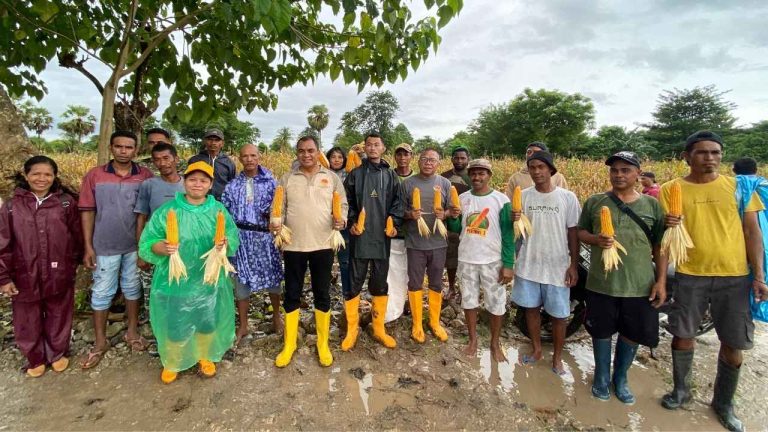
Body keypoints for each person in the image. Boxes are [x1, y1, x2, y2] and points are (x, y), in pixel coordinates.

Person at [658, 131, 766, 432]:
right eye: (703, 152)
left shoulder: (737, 187)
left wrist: (759, 276)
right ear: (687, 156)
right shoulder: (671, 189)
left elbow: (752, 233)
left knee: (734, 342)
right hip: (691, 275)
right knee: (682, 334)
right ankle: (681, 390)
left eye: (716, 152)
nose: (711, 158)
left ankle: (724, 403)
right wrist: (662, 280)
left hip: (734, 276)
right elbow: (668, 238)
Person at [578, 151, 667, 403]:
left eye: (625, 170)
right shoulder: (595, 202)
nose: (619, 175)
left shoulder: (652, 205)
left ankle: (621, 377)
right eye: (614, 170)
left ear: (638, 174)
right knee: (601, 331)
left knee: (632, 332)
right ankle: (601, 377)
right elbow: (581, 231)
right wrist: (596, 239)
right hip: (601, 282)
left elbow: (661, 246)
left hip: (639, 284)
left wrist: (660, 281)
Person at [138, 161, 239, 383]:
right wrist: (161, 247)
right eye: (192, 179)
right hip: (176, 279)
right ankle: (174, 360)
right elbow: (148, 242)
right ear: (184, 182)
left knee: (206, 319)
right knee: (176, 321)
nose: (197, 184)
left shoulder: (218, 210)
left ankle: (204, 355)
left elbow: (232, 238)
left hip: (208, 278)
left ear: (210, 184)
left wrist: (224, 244)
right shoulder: (168, 211)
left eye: (203, 180)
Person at [0, 156, 82, 377]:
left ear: (54, 177)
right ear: (26, 175)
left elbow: (76, 236)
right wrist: (4, 277)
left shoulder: (65, 203)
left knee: (59, 312)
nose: (42, 178)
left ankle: (57, 353)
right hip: (23, 272)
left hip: (59, 270)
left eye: (47, 174)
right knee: (27, 317)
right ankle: (34, 358)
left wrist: (73, 262)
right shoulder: (11, 207)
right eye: (36, 173)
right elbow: (3, 243)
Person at [79, 131, 154, 369]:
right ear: (111, 148)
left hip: (134, 245)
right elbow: (87, 211)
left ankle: (131, 332)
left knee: (133, 288)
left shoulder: (145, 176)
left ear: (136, 149)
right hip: (104, 245)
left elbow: (150, 214)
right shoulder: (95, 176)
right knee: (102, 290)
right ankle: (100, 341)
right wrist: (88, 246)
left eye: (129, 147)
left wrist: (147, 247)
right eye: (119, 146)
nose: (124, 151)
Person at [271, 136, 347, 367]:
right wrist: (276, 222)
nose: (306, 155)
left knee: (322, 293)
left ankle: (322, 343)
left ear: (318, 152)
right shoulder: (287, 178)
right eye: (302, 151)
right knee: (292, 293)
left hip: (323, 244)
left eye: (311, 150)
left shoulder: (331, 178)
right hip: (293, 245)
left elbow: (342, 204)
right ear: (297, 153)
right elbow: (279, 207)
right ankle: (290, 343)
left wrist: (341, 219)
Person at [511, 151, 580, 375]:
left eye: (541, 167)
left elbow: (573, 233)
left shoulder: (567, 197)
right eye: (532, 167)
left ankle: (558, 358)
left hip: (557, 266)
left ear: (551, 169)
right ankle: (537, 349)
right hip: (528, 264)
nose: (537, 171)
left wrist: (573, 264)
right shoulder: (524, 196)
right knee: (531, 310)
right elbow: (518, 233)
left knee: (559, 316)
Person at [446, 159, 514, 361]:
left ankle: (494, 342)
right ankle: (473, 340)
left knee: (496, 303)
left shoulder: (501, 201)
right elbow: (457, 229)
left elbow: (509, 235)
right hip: (467, 258)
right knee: (469, 301)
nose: (477, 177)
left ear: (489, 176)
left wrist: (508, 265)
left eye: (481, 173)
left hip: (492, 260)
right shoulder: (463, 198)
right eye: (473, 173)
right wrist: (453, 217)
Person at [342, 132, 403, 350]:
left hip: (382, 239)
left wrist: (393, 223)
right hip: (360, 237)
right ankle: (352, 329)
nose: (372, 148)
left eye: (377, 144)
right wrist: (351, 223)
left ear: (383, 148)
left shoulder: (391, 176)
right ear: (365, 148)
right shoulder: (355, 174)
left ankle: (378, 328)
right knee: (354, 282)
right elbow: (346, 201)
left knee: (379, 282)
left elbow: (398, 202)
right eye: (369, 145)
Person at [221, 144, 284, 344]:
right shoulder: (232, 186)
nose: (249, 159)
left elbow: (280, 207)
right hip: (241, 238)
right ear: (239, 159)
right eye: (245, 156)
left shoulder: (272, 183)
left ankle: (277, 318)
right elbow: (225, 213)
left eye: (253, 155)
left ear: (259, 157)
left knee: (273, 279)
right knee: (241, 281)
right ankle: (244, 325)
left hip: (265, 237)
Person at [401, 148, 453, 343]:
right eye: (425, 159)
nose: (428, 163)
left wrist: (445, 214)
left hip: (438, 242)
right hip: (415, 243)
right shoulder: (407, 184)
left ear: (438, 163)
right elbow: (400, 210)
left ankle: (434, 322)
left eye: (432, 160)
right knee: (415, 283)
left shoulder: (445, 183)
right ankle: (417, 323)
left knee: (436, 282)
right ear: (418, 161)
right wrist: (409, 215)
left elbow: (452, 210)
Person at [134, 143, 185, 319]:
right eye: (157, 160)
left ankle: (179, 334)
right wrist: (142, 252)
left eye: (166, 158)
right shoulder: (149, 185)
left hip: (182, 249)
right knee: (156, 295)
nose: (162, 163)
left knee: (180, 294)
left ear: (176, 159)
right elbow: (141, 217)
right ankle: (160, 336)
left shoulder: (189, 184)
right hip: (155, 247)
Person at [385, 142, 416, 323]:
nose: (403, 158)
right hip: (394, 232)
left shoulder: (417, 179)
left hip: (414, 234)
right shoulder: (388, 176)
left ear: (411, 156)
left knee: (413, 272)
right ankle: (393, 308)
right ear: (395, 157)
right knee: (394, 272)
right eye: (399, 155)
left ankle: (411, 304)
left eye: (406, 154)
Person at [441, 146, 471, 301]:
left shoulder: (473, 177)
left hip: (470, 222)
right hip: (450, 222)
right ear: (452, 159)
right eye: (456, 158)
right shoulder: (444, 177)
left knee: (468, 257)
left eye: (463, 158)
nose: (459, 161)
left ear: (468, 159)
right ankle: (452, 287)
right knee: (451, 257)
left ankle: (466, 288)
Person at [326, 146, 351, 299]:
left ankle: (347, 292)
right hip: (324, 223)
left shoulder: (350, 175)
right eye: (333, 157)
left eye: (340, 157)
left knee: (345, 260)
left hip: (343, 222)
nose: (336, 160)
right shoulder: (321, 175)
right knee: (325, 259)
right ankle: (325, 290)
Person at [187, 129, 237, 200]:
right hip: (199, 201)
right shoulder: (195, 160)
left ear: (222, 143)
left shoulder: (229, 162)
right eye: (210, 139)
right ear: (205, 141)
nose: (213, 143)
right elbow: (188, 181)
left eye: (217, 140)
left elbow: (233, 184)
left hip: (222, 202)